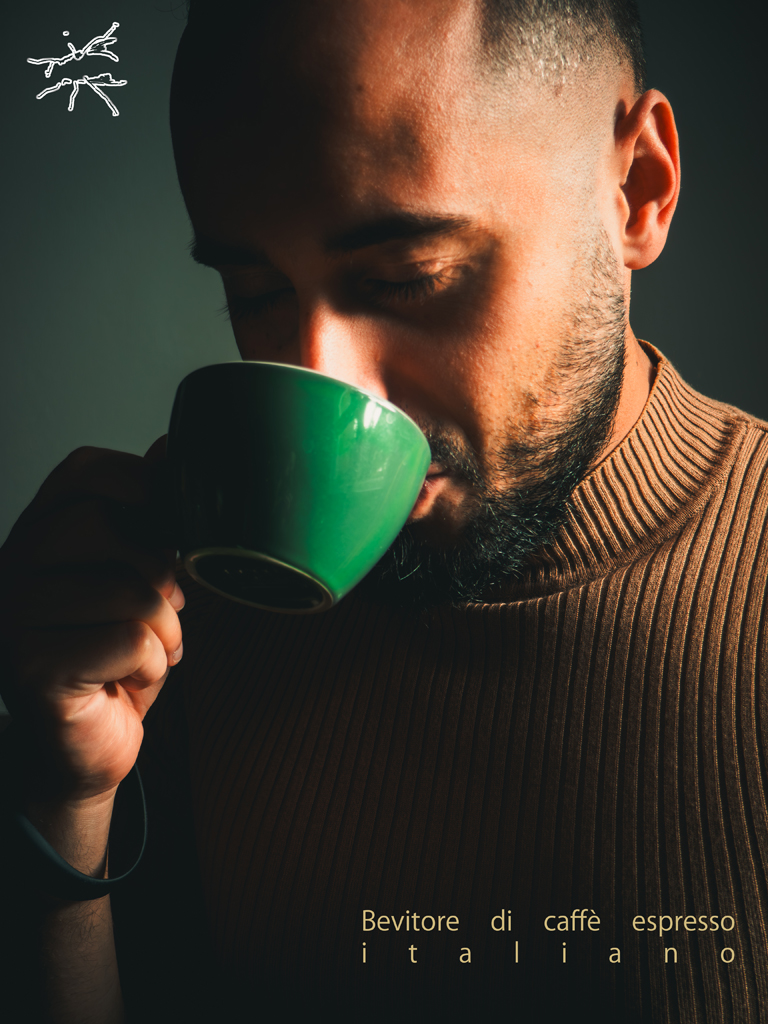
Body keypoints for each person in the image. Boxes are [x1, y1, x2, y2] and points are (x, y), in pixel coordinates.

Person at [1, 0, 767, 1021]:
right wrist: (62, 796)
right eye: (256, 290)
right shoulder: (174, 627)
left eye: (411, 277)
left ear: (636, 191)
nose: (328, 379)